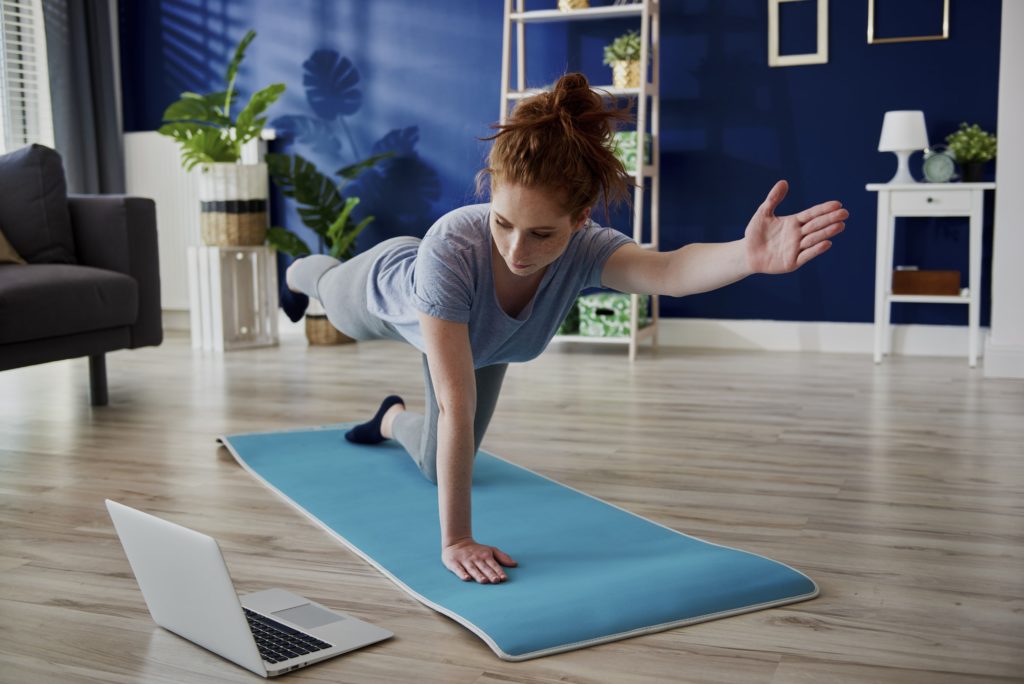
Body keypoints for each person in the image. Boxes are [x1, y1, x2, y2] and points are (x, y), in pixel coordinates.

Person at [286, 72, 848, 586]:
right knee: (330, 296)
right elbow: (457, 406)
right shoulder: (452, 250)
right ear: (488, 196)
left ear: (580, 222)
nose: (516, 250)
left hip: (483, 345)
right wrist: (456, 540)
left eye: (542, 234)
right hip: (391, 290)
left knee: (440, 469)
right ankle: (293, 276)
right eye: (502, 223)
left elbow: (670, 270)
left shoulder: (587, 251)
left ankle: (389, 419)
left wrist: (745, 256)